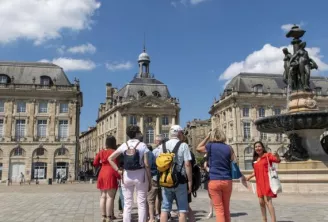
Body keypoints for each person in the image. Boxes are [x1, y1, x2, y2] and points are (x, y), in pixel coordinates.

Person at [108, 125, 151, 222]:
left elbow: (110, 158)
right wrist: (149, 178)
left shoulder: (124, 145)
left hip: (126, 175)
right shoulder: (142, 145)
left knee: (127, 204)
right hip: (140, 175)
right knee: (141, 203)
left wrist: (118, 170)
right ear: (137, 134)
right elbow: (147, 164)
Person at [155, 125, 193, 222]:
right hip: (180, 180)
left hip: (166, 180)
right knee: (182, 209)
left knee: (165, 208)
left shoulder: (161, 146)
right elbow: (187, 164)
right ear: (179, 133)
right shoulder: (184, 145)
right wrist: (190, 181)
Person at [196, 128, 234, 222]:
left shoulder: (210, 146)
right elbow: (233, 160)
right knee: (226, 209)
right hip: (227, 180)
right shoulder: (229, 147)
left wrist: (207, 137)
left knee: (219, 209)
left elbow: (198, 148)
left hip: (214, 179)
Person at [246, 141, 281, 222]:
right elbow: (255, 171)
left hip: (267, 182)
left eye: (259, 146)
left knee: (268, 201)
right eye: (256, 147)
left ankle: (273, 220)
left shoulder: (268, 156)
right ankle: (264, 220)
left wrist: (277, 156)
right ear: (254, 149)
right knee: (261, 202)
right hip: (259, 183)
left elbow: (277, 160)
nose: (258, 148)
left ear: (262, 147)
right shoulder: (255, 159)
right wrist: (249, 177)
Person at [93, 136, 120, 222]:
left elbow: (95, 163)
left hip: (102, 173)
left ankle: (103, 216)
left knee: (103, 196)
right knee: (110, 197)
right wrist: (119, 176)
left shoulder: (101, 152)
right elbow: (115, 164)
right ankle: (109, 217)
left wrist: (102, 163)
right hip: (111, 172)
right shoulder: (114, 152)